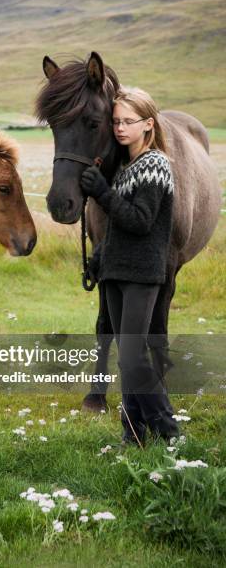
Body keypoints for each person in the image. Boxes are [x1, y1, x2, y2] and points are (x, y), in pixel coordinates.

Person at [81, 87, 179, 446]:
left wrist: (102, 194)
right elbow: (119, 229)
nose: (119, 128)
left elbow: (140, 221)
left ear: (148, 124)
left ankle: (167, 430)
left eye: (128, 122)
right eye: (116, 122)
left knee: (135, 358)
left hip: (141, 274)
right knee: (127, 360)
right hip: (117, 272)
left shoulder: (155, 165)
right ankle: (133, 433)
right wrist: (98, 258)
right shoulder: (126, 168)